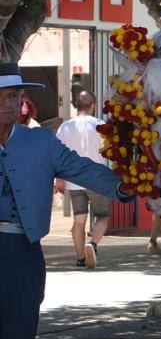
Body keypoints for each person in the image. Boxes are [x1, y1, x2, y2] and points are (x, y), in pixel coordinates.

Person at [0, 62, 131, 339]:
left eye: (14, 96)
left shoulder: (41, 141)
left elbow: (83, 170)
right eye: (3, 96)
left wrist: (130, 185)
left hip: (21, 252)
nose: (12, 102)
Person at [55, 90, 109, 268]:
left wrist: (58, 179)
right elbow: (109, 151)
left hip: (73, 180)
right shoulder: (100, 125)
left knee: (79, 220)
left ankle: (79, 259)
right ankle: (92, 244)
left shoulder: (65, 127)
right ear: (92, 105)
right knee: (102, 216)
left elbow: (57, 155)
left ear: (75, 105)